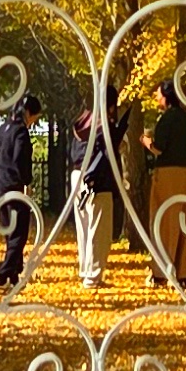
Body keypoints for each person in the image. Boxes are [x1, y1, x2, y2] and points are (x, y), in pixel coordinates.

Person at [144, 81, 186, 286]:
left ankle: (162, 271)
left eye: (159, 95)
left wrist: (145, 141)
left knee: (165, 221)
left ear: (167, 97)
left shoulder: (166, 119)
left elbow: (159, 148)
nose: (157, 98)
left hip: (168, 175)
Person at [0, 98, 38, 296]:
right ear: (29, 113)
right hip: (13, 187)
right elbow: (21, 159)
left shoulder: (3, 128)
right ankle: (3, 274)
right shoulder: (21, 132)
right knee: (18, 233)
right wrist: (26, 181)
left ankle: (14, 275)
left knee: (10, 232)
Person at [71, 95, 120, 286]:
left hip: (78, 174)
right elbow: (109, 153)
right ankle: (93, 276)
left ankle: (86, 270)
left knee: (83, 227)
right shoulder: (105, 126)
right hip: (98, 178)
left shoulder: (83, 121)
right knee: (99, 229)